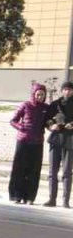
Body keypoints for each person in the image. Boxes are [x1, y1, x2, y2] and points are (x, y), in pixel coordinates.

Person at [8, 84, 50, 204]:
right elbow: (13, 120)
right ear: (33, 94)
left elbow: (48, 122)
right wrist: (21, 127)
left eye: (42, 95)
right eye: (38, 94)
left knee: (34, 171)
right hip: (23, 141)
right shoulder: (25, 105)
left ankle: (29, 197)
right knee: (19, 169)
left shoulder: (45, 108)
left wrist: (52, 126)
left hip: (37, 143)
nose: (40, 97)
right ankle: (16, 195)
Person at [43, 80, 73, 208]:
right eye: (65, 89)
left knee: (67, 172)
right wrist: (51, 126)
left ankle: (65, 200)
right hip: (55, 139)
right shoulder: (55, 104)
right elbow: (47, 119)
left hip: (70, 140)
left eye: (70, 89)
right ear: (62, 91)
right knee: (52, 171)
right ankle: (52, 199)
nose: (67, 91)